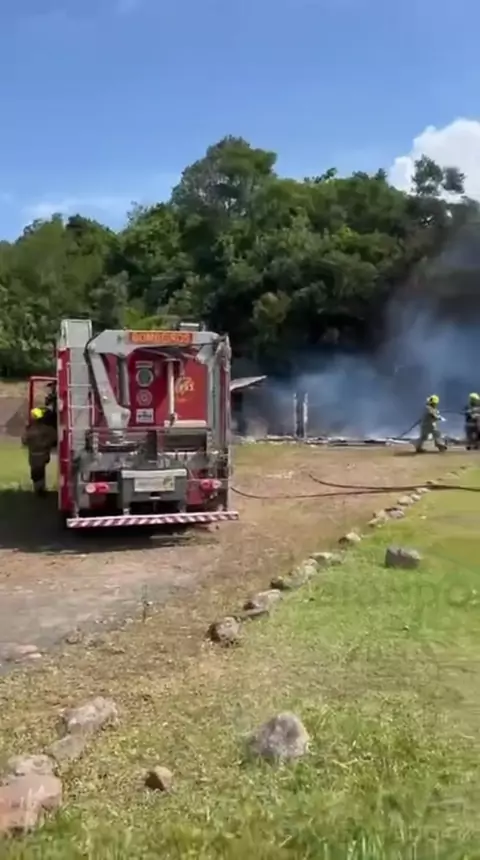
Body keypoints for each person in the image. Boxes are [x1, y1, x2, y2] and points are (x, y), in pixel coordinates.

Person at [21, 406, 57, 496]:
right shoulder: (48, 429)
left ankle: (39, 489)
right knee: (40, 471)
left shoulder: (31, 430)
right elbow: (54, 438)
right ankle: (40, 488)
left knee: (36, 472)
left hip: (34, 454)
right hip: (43, 454)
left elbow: (24, 441)